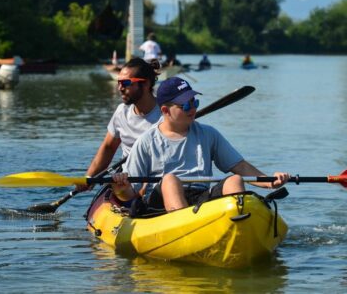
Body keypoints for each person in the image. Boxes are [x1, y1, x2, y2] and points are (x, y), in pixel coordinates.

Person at [111, 77, 290, 212]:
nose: (193, 108)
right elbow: (130, 193)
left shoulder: (208, 133)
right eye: (186, 106)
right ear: (165, 111)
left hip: (200, 197)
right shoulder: (146, 141)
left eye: (194, 102)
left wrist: (270, 182)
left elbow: (240, 166)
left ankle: (239, 225)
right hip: (160, 202)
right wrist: (122, 188)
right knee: (170, 180)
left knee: (234, 180)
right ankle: (183, 229)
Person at [75, 57, 162, 193]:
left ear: (145, 84)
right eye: (118, 82)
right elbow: (108, 147)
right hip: (126, 181)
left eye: (126, 83)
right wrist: (89, 177)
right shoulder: (122, 112)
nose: (120, 88)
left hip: (157, 182)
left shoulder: (166, 114)